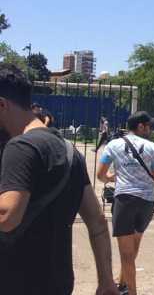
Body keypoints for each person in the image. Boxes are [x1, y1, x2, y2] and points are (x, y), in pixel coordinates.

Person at [0, 63, 119, 295]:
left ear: (2, 104)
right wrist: (106, 281)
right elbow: (97, 221)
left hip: (17, 282)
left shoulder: (20, 147)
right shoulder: (69, 151)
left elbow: (7, 215)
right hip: (58, 281)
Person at [96, 111, 154, 295]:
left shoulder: (113, 145)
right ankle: (123, 280)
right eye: (149, 126)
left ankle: (131, 291)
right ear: (141, 126)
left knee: (126, 252)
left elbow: (100, 175)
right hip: (147, 202)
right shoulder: (152, 147)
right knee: (134, 245)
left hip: (125, 200)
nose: (151, 129)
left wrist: (112, 177)